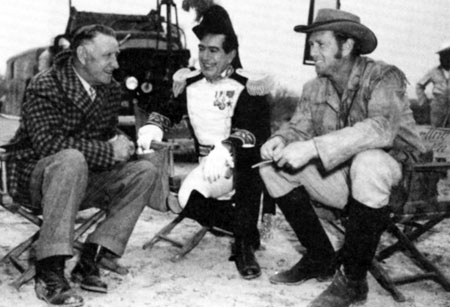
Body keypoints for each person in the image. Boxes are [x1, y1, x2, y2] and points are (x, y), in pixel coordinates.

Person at [258, 9, 427, 307]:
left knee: (369, 162)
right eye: (311, 44)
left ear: (346, 46)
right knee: (273, 168)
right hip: (348, 180)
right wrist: (279, 140)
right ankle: (320, 257)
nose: (312, 52)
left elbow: (381, 129)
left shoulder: (384, 77)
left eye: (320, 44)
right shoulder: (315, 87)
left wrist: (311, 148)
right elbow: (298, 128)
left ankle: (352, 280)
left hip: (402, 180)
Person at [7, 24, 165, 306]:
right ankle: (50, 271)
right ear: (82, 54)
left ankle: (92, 257)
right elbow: (49, 145)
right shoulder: (46, 84)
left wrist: (123, 141)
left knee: (145, 171)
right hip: (36, 180)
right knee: (70, 158)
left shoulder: (110, 89)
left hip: (83, 177)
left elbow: (106, 131)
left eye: (116, 56)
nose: (115, 65)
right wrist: (108, 150)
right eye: (108, 56)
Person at [137, 5, 272, 280]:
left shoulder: (247, 86)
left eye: (214, 50)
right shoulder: (188, 83)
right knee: (188, 199)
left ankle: (244, 248)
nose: (205, 57)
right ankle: (245, 228)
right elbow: (166, 110)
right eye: (202, 49)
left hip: (238, 163)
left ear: (231, 53)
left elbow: (254, 131)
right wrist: (153, 125)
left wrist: (227, 148)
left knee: (249, 163)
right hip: (207, 166)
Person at [416, 40, 450, 127]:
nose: (444, 58)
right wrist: (424, 103)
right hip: (438, 107)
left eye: (447, 55)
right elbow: (419, 85)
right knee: (436, 133)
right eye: (442, 55)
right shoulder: (433, 71)